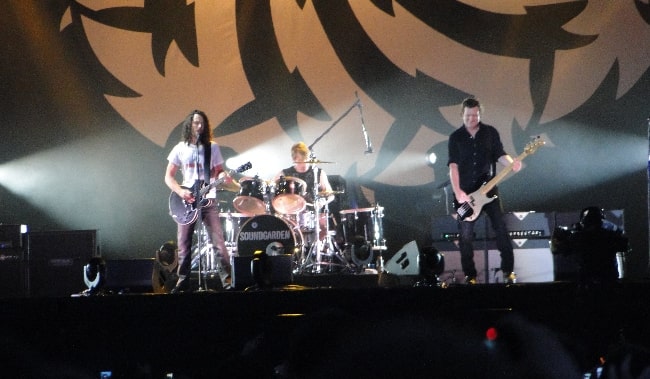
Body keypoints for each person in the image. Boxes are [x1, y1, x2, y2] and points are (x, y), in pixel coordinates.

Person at [447, 98, 522, 284]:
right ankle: (470, 275)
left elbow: (500, 154)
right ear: (461, 115)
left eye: (475, 115)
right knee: (465, 236)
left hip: (489, 191)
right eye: (468, 116)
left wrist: (512, 163)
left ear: (480, 114)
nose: (472, 119)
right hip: (465, 194)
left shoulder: (490, 133)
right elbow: (453, 167)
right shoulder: (455, 137)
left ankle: (508, 272)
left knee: (501, 229)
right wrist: (458, 192)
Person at [164, 110, 232, 292]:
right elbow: (168, 177)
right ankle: (182, 281)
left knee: (218, 242)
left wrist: (224, 176)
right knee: (184, 244)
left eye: (202, 123)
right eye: (195, 123)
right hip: (186, 200)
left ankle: (228, 281)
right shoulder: (180, 148)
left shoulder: (212, 147)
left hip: (208, 200)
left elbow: (219, 171)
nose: (199, 126)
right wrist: (180, 192)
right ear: (189, 125)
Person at [551, 206, 628, 287]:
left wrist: (556, 236)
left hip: (587, 283)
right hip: (609, 282)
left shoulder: (578, 237)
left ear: (584, 222)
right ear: (601, 220)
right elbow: (625, 246)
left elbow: (555, 250)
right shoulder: (611, 236)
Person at [273, 142, 334, 239]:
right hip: (291, 216)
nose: (305, 163)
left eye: (307, 160)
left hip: (314, 215)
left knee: (322, 228)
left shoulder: (318, 173)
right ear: (294, 159)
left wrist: (322, 201)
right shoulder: (284, 174)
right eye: (301, 160)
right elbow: (273, 192)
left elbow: (331, 195)